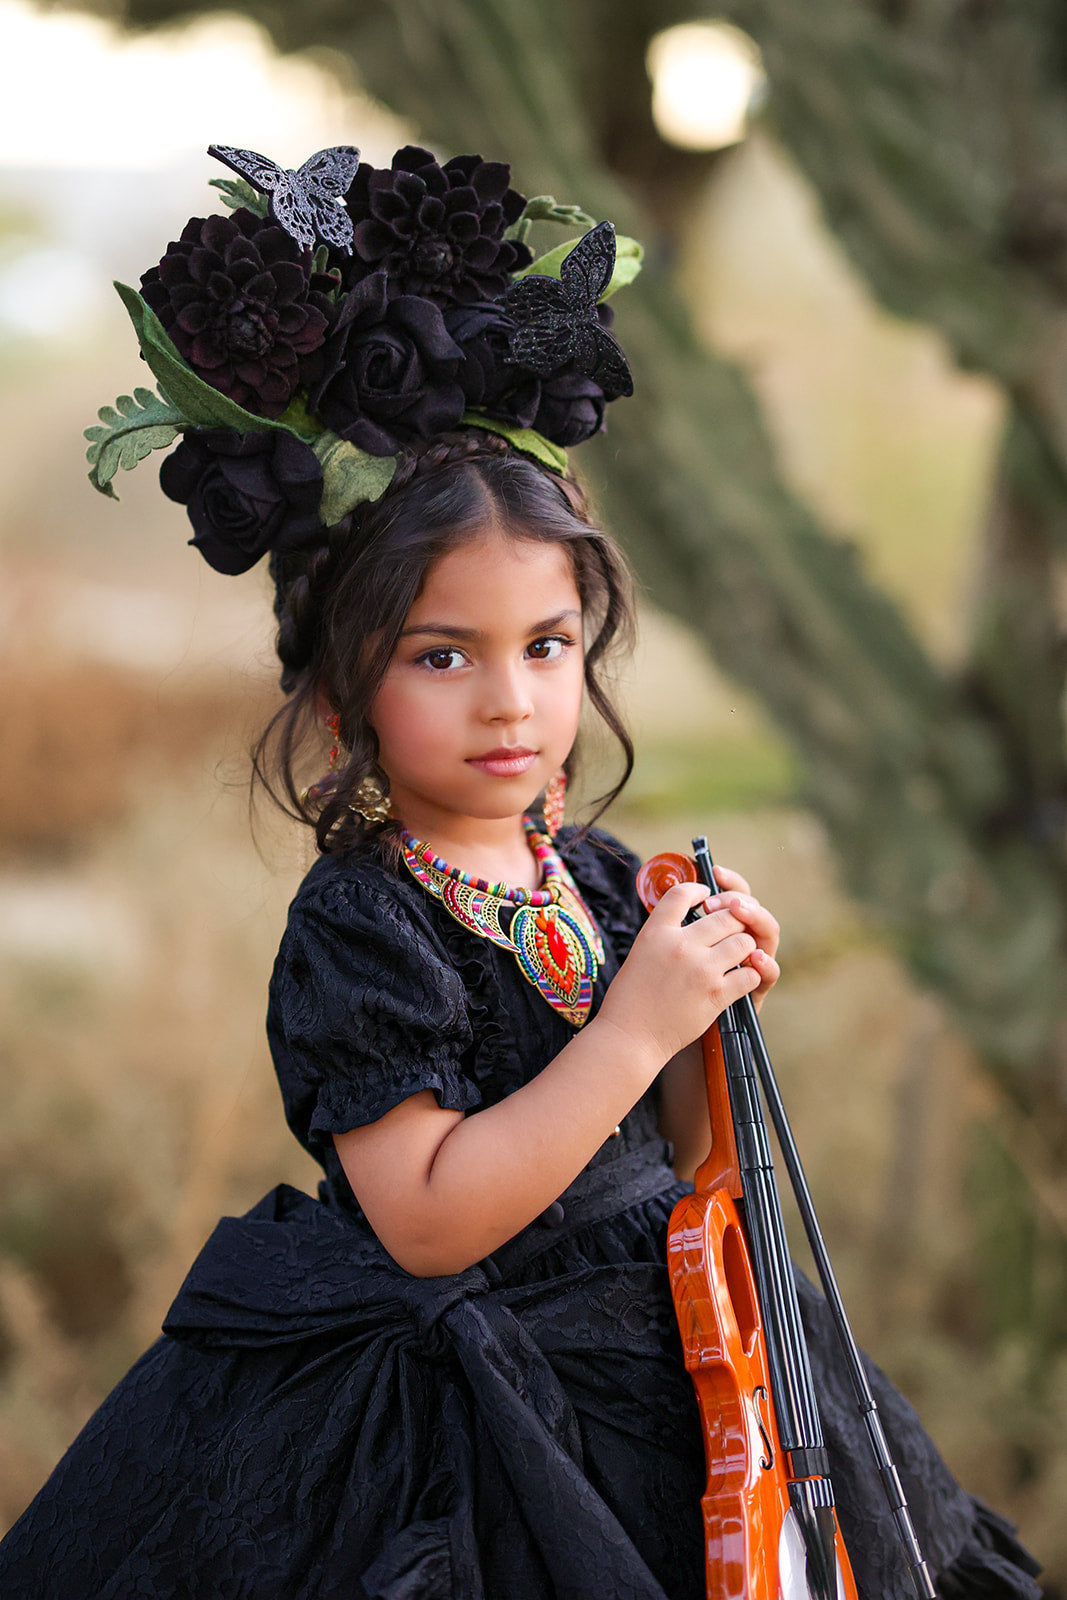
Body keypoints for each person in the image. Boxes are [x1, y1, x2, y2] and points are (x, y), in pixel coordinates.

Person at [0, 141, 1042, 1600]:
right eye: (445, 656)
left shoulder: (602, 874)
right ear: (340, 691)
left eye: (545, 648)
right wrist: (628, 1027)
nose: (510, 701)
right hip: (460, 1402)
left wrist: (705, 1002)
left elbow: (677, 1158)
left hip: (656, 1351)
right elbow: (427, 1214)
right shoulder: (366, 919)